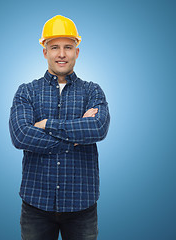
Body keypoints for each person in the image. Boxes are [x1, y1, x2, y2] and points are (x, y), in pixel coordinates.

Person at [9, 15, 110, 240]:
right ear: (45, 51)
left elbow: (98, 128)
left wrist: (46, 125)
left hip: (81, 206)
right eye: (54, 47)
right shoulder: (27, 91)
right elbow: (21, 135)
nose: (61, 54)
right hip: (36, 206)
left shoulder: (93, 91)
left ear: (77, 51)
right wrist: (75, 136)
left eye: (68, 47)